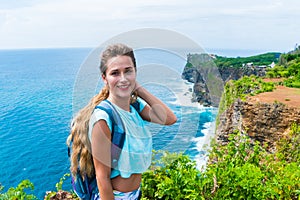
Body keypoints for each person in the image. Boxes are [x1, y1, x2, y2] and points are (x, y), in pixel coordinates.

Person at [67, 43, 177, 200]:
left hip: (135, 194)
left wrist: (137, 88)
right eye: (115, 73)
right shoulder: (103, 118)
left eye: (128, 71)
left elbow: (169, 119)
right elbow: (102, 177)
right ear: (104, 78)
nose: (123, 78)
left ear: (135, 72)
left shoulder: (134, 106)